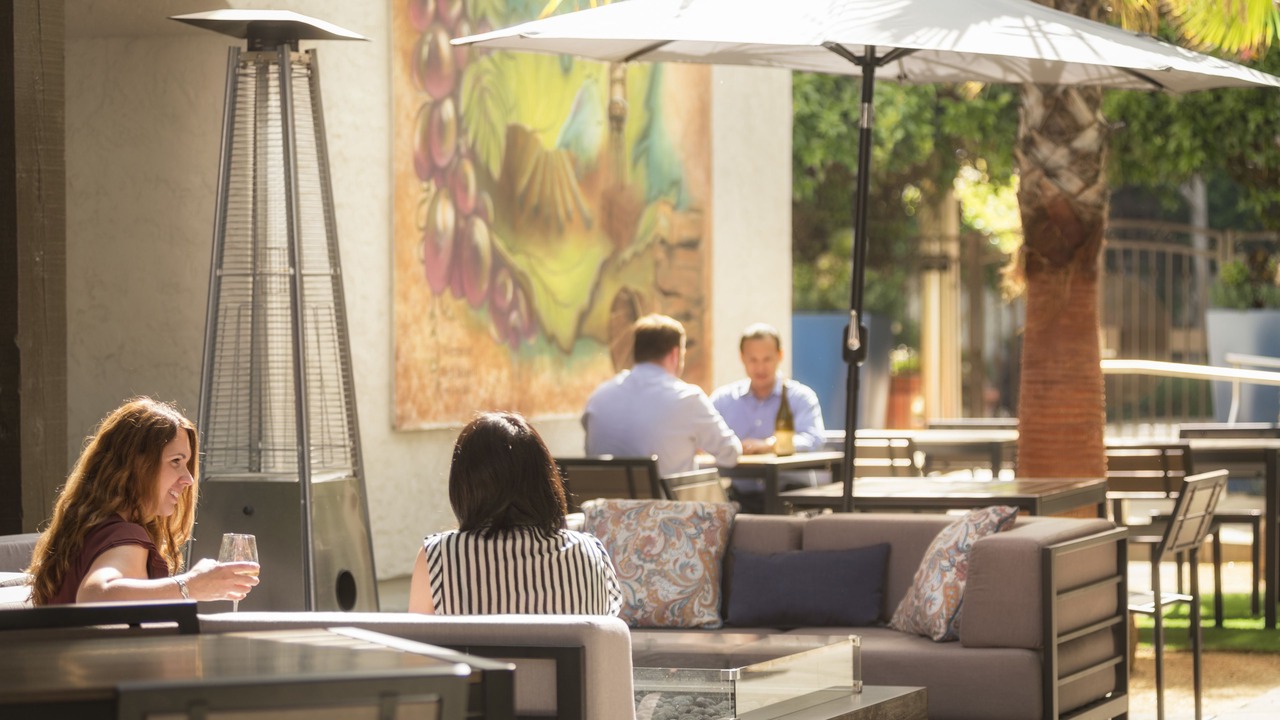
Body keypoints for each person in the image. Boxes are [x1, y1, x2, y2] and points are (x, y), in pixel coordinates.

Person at [26, 397, 259, 606]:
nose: (188, 479)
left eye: (187, 464)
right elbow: (95, 595)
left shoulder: (84, 533)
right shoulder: (126, 538)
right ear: (137, 465)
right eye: (176, 461)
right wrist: (191, 585)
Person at [409, 411, 622, 615]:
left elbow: (417, 648)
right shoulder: (589, 553)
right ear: (545, 480)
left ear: (464, 487)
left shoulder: (436, 557)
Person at [582, 313, 741, 477]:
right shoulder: (687, 398)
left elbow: (590, 455)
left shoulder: (598, 397)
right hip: (663, 502)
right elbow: (730, 453)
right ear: (675, 354)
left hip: (605, 501)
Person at [711, 323, 826, 512]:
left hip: (793, 499)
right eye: (753, 360)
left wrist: (770, 444)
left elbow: (814, 439)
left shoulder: (801, 397)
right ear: (742, 359)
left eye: (767, 359)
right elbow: (702, 440)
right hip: (741, 501)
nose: (760, 367)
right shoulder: (723, 400)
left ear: (780, 356)